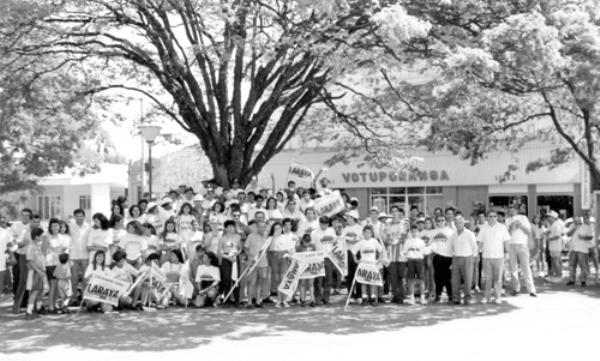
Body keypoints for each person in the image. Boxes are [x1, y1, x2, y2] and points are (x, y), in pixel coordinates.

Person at [477, 210, 511, 304]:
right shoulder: (483, 228)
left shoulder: (502, 228)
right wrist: (477, 253)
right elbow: (480, 242)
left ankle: (497, 297)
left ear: (497, 217)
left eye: (494, 216)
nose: (492, 218)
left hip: (499, 257)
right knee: (487, 279)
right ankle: (486, 297)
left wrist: (507, 252)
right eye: (490, 216)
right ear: (487, 218)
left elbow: (506, 241)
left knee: (498, 279)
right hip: (486, 257)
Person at [506, 204, 537, 296]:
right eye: (510, 209)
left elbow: (528, 232)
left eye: (513, 209)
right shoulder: (507, 220)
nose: (512, 211)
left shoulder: (523, 218)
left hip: (523, 245)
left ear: (516, 210)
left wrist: (520, 225)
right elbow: (507, 235)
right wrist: (511, 228)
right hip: (511, 245)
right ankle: (516, 288)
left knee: (526, 267)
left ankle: (531, 290)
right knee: (513, 268)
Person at [449, 215, 478, 305]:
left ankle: (467, 298)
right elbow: (451, 247)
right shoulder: (453, 235)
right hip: (456, 258)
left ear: (464, 223)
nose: (459, 224)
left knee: (468, 279)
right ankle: (456, 298)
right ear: (455, 224)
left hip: (467, 258)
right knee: (455, 280)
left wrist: (473, 257)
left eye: (460, 223)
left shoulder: (469, 234)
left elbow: (474, 247)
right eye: (457, 223)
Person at [45, 218, 71, 313]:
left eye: (56, 225)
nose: (55, 227)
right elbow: (43, 251)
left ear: (59, 226)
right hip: (50, 263)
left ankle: (54, 304)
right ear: (50, 227)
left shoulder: (62, 237)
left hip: (60, 264)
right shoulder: (47, 237)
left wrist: (65, 250)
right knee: (53, 285)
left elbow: (66, 249)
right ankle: (50, 306)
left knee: (58, 286)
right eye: (53, 226)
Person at [11, 209, 34, 313]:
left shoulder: (32, 227)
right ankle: (17, 302)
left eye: (27, 215)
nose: (25, 217)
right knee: (18, 279)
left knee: (29, 280)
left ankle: (25, 302)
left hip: (31, 256)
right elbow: (13, 241)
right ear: (21, 215)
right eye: (23, 215)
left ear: (30, 217)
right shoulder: (16, 226)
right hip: (18, 254)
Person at [311, 216, 336, 305]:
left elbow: (335, 242)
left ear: (328, 224)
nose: (323, 226)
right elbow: (312, 246)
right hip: (318, 258)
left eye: (325, 224)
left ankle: (326, 298)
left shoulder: (331, 231)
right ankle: (317, 298)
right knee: (318, 280)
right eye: (322, 224)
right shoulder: (314, 233)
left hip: (329, 257)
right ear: (319, 223)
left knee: (328, 279)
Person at [268, 222, 294, 307]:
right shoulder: (271, 238)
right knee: (277, 280)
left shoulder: (285, 237)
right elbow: (269, 248)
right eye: (275, 228)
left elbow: (290, 249)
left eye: (279, 228)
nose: (277, 230)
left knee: (284, 279)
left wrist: (290, 257)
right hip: (274, 258)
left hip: (284, 258)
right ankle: (279, 300)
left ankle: (285, 300)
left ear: (282, 229)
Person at [244, 220, 270, 308]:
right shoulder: (251, 236)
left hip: (263, 263)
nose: (262, 228)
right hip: (252, 263)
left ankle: (258, 301)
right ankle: (249, 302)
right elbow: (246, 249)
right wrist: (251, 257)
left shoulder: (267, 237)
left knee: (260, 282)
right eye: (260, 226)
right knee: (251, 282)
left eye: (264, 227)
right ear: (257, 227)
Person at [357, 225, 383, 306]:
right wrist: (356, 260)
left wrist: (378, 260)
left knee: (373, 282)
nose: (367, 234)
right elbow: (353, 251)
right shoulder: (361, 242)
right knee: (363, 281)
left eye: (369, 232)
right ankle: (364, 297)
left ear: (371, 234)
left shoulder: (374, 241)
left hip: (372, 264)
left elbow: (381, 250)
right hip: (363, 264)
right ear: (363, 233)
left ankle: (373, 297)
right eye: (365, 232)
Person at [431, 215, 455, 302]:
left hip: (448, 256)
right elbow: (429, 244)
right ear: (436, 222)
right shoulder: (433, 232)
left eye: (442, 220)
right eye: (438, 220)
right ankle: (438, 295)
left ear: (445, 221)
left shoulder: (450, 231)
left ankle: (450, 294)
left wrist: (454, 256)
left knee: (448, 277)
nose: (440, 222)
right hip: (437, 256)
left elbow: (454, 244)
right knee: (437, 277)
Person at [567, 210, 594, 286]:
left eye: (577, 219)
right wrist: (574, 228)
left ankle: (583, 280)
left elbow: (591, 237)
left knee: (583, 266)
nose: (575, 221)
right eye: (574, 220)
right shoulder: (572, 225)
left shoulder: (587, 226)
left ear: (580, 219)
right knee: (572, 265)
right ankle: (572, 280)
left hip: (582, 249)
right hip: (573, 249)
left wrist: (584, 237)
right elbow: (568, 234)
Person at [217, 220, 242, 304]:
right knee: (226, 278)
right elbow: (219, 252)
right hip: (226, 258)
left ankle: (236, 299)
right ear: (226, 228)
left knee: (236, 279)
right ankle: (226, 299)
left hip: (235, 258)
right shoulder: (222, 238)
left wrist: (236, 253)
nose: (231, 228)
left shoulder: (238, 237)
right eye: (229, 227)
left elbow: (240, 249)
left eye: (232, 226)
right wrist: (227, 257)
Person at [69, 208, 90, 304]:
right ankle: (74, 298)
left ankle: (84, 298)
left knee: (85, 278)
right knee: (74, 278)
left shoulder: (88, 227)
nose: (79, 218)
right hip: (73, 255)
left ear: (84, 216)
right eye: (77, 216)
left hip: (85, 255)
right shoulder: (71, 226)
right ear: (74, 217)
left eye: (81, 216)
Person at [24, 228, 46, 319]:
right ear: (36, 236)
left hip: (40, 271)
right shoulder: (31, 246)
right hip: (35, 272)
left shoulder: (37, 245)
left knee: (40, 291)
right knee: (34, 291)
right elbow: (30, 261)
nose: (42, 237)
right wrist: (38, 271)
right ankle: (29, 311)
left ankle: (38, 308)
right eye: (41, 235)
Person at [342, 210, 363, 301]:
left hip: (357, 253)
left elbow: (360, 240)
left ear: (354, 218)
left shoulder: (359, 228)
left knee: (358, 273)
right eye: (348, 218)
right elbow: (342, 240)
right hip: (348, 252)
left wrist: (351, 241)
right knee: (349, 275)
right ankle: (351, 294)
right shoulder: (345, 229)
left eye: (350, 217)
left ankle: (359, 294)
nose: (348, 219)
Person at [404, 224, 427, 305]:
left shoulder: (421, 242)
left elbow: (424, 252)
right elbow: (405, 252)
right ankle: (411, 297)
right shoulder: (407, 241)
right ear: (410, 232)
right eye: (412, 232)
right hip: (410, 261)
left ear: (418, 232)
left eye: (416, 231)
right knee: (411, 280)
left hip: (419, 261)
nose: (414, 233)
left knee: (421, 280)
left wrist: (418, 256)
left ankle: (422, 297)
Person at [296, 234, 317, 307]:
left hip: (310, 267)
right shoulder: (299, 247)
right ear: (303, 240)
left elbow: (316, 255)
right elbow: (297, 257)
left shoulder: (312, 246)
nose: (307, 243)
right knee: (302, 283)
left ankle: (312, 300)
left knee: (311, 284)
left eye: (308, 241)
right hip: (302, 268)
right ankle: (303, 299)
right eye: (306, 241)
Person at [545, 210, 564, 281]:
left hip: (556, 246)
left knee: (555, 262)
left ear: (553, 218)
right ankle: (555, 275)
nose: (548, 218)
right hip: (552, 246)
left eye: (549, 217)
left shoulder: (556, 225)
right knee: (554, 262)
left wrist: (549, 239)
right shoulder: (552, 225)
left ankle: (559, 276)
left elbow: (557, 236)